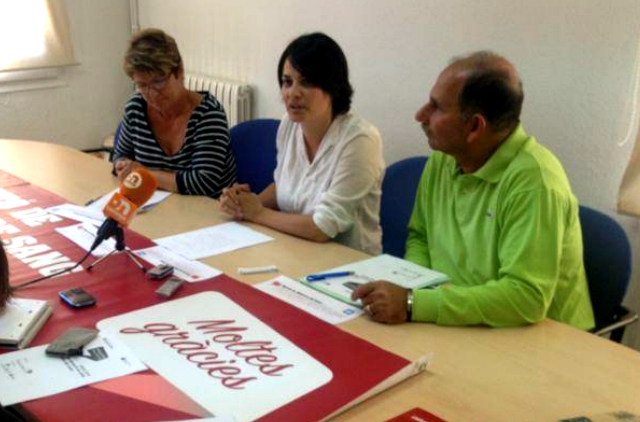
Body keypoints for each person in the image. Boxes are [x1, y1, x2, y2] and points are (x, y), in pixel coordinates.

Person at [352, 51, 595, 330]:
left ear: (474, 127)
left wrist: (413, 304)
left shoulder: (536, 182)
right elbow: (420, 236)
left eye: (437, 107)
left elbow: (526, 297)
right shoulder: (444, 158)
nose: (421, 115)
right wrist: (413, 287)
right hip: (459, 316)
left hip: (539, 339)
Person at [219, 33, 384, 255]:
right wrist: (244, 204)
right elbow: (284, 186)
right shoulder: (290, 124)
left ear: (332, 87)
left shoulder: (360, 140)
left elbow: (322, 228)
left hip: (348, 267)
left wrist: (257, 213)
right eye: (287, 82)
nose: (292, 93)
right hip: (294, 249)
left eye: (306, 82)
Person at [112, 28, 236, 198]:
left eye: (159, 82)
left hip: (208, 214)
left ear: (179, 71)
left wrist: (144, 173)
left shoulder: (208, 114)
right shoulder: (136, 108)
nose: (152, 93)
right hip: (158, 208)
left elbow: (203, 182)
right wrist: (122, 166)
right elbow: (120, 154)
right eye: (142, 85)